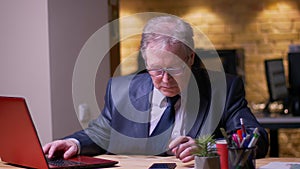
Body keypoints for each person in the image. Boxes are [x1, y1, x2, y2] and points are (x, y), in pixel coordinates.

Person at [43, 15, 269, 163]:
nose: (165, 79)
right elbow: (101, 134)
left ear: (190, 58)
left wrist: (207, 148)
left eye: (174, 69)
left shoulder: (224, 89)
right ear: (145, 60)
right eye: (155, 70)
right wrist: (72, 143)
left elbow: (256, 139)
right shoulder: (120, 90)